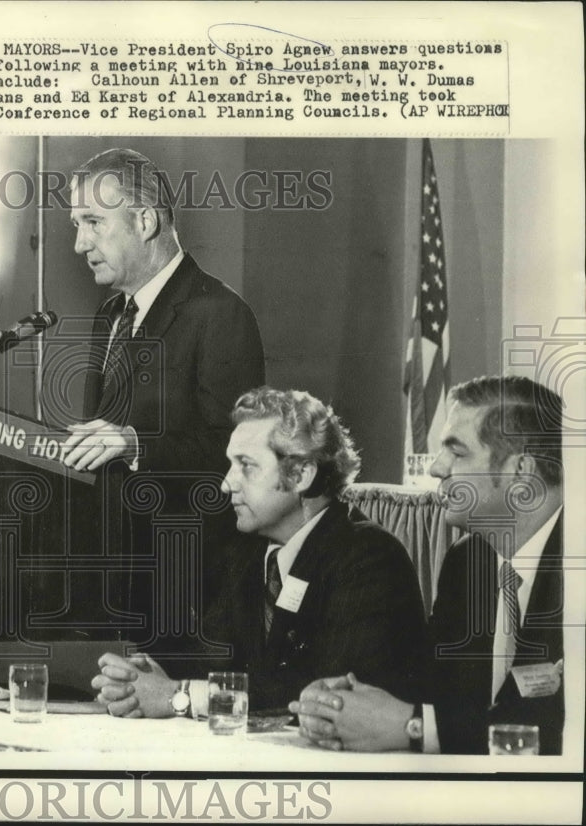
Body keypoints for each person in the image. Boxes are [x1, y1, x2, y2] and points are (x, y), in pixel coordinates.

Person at [90, 387, 426, 717]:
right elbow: (211, 659)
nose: (226, 484)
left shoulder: (370, 559)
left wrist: (181, 696)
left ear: (301, 474)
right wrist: (149, 673)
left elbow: (323, 695)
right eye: (230, 465)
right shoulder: (245, 555)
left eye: (246, 466)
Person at [292, 375, 565, 755]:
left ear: (521, 471)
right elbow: (427, 687)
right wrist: (337, 702)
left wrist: (413, 727)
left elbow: (558, 731)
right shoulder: (467, 561)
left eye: (457, 452)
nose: (437, 469)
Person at [61, 147, 265, 475]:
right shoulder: (109, 315)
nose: (80, 244)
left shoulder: (222, 314)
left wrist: (134, 445)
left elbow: (235, 452)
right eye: (76, 224)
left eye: (94, 222)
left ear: (145, 221)